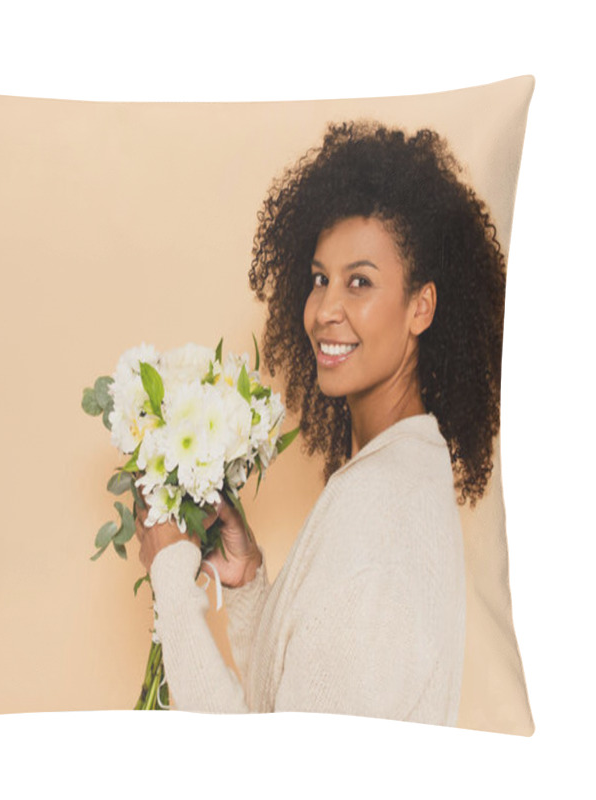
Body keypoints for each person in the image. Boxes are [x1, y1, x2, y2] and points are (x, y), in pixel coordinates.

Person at [133, 120, 506, 725]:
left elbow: (267, 776)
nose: (325, 310)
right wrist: (251, 584)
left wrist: (172, 581)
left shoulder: (376, 507)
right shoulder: (404, 470)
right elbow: (299, 710)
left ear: (422, 306)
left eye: (360, 282)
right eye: (319, 279)